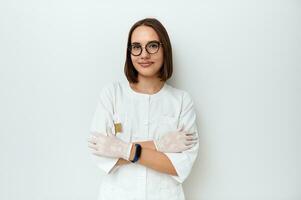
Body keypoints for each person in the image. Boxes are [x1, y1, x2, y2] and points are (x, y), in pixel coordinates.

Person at [87, 18, 199, 200]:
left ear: (165, 50)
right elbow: (101, 155)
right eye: (136, 47)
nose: (144, 54)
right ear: (129, 52)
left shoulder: (182, 101)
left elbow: (180, 166)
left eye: (152, 46)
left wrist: (120, 148)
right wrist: (159, 146)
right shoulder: (112, 94)